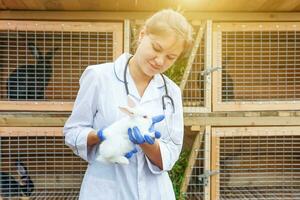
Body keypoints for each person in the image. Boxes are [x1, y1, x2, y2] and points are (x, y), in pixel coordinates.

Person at [63, 9, 193, 200]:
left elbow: (171, 152)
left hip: (155, 192)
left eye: (170, 57)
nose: (160, 61)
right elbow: (73, 132)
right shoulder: (99, 77)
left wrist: (147, 143)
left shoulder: (171, 92)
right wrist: (101, 134)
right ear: (142, 35)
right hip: (106, 190)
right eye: (156, 48)